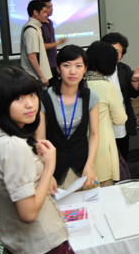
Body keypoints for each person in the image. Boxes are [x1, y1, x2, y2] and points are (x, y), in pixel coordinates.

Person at [0, 67, 93, 254]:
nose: (29, 104)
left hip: (17, 249)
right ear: (0, 102)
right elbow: (28, 213)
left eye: (32, 95)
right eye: (18, 98)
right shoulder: (13, 146)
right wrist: (49, 168)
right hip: (42, 250)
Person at [36, 45, 100, 189]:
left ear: (85, 69)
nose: (72, 71)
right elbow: (40, 140)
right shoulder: (44, 99)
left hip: (83, 166)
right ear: (58, 69)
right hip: (54, 168)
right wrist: (47, 173)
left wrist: (89, 165)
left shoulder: (91, 97)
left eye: (78, 66)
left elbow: (94, 134)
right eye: (66, 65)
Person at [101, 32, 139, 161]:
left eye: (117, 51)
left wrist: (135, 79)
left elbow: (133, 93)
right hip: (102, 121)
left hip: (121, 120)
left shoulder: (124, 69)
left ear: (122, 54)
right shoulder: (95, 70)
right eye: (110, 50)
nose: (113, 54)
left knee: (122, 155)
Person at [86, 41, 128, 186]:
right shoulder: (107, 87)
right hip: (102, 145)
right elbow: (120, 119)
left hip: (81, 145)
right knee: (104, 188)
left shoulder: (78, 84)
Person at [20, 0, 52, 89]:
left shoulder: (35, 28)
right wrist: (42, 76)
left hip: (37, 77)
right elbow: (31, 56)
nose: (46, 15)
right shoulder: (31, 30)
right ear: (35, 12)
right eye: (44, 12)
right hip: (35, 77)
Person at [38, 0, 67, 86]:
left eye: (52, 6)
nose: (51, 9)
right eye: (48, 7)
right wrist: (58, 43)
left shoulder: (50, 22)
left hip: (53, 62)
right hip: (44, 64)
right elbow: (40, 46)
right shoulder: (38, 25)